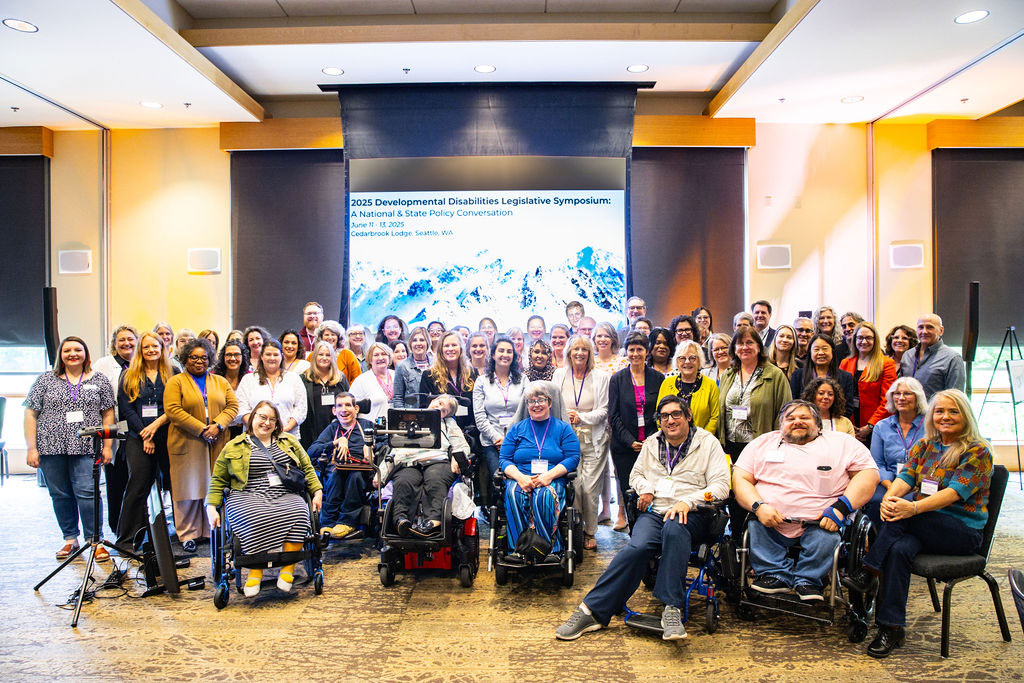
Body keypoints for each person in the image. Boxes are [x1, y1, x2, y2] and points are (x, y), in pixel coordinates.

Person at [555, 395, 730, 641]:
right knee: (637, 547)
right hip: (657, 510)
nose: (670, 420)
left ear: (688, 416)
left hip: (693, 513)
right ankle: (591, 611)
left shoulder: (707, 443)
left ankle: (672, 609)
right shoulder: (651, 442)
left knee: (675, 528)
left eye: (676, 414)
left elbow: (722, 486)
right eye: (664, 416)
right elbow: (635, 476)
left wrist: (688, 502)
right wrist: (645, 488)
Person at [844, 389, 992, 658]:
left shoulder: (977, 450)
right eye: (939, 411)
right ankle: (891, 628)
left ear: (966, 415)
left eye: (953, 411)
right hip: (921, 524)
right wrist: (890, 499)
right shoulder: (925, 445)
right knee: (898, 548)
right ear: (932, 415)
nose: (945, 417)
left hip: (962, 532)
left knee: (904, 517)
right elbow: (907, 478)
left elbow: (953, 493)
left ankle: (868, 569)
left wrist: (911, 507)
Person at [733, 400, 878, 601]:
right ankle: (773, 574)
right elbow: (740, 478)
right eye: (790, 418)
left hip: (821, 521)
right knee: (755, 525)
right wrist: (759, 506)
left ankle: (808, 580)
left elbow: (868, 475)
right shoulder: (762, 443)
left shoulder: (842, 443)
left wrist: (840, 508)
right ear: (780, 424)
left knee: (826, 536)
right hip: (770, 519)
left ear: (818, 424)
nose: (797, 422)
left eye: (804, 418)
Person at [205, 400, 321, 596]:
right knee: (254, 516)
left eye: (272, 419)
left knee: (300, 511)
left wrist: (317, 492)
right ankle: (255, 572)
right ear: (252, 419)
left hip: (284, 492)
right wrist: (211, 507)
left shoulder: (289, 442)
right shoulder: (234, 446)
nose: (267, 423)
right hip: (246, 494)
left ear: (277, 424)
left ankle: (287, 571)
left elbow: (307, 468)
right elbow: (218, 479)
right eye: (262, 417)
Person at [24, 336, 117, 561]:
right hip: (50, 448)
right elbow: (30, 414)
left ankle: (95, 540)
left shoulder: (100, 380)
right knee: (60, 495)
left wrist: (108, 446)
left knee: (88, 493)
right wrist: (31, 448)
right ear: (60, 355)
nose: (73, 354)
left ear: (85, 353)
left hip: (87, 447)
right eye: (67, 350)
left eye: (78, 350)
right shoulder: (45, 380)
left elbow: (108, 413)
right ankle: (70, 539)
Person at [164, 338, 238, 553]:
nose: (199, 361)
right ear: (185, 359)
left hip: (217, 441)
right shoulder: (176, 382)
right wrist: (201, 429)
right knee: (187, 488)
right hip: (188, 440)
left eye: (203, 358)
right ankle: (188, 534)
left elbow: (233, 406)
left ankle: (210, 529)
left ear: (210, 360)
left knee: (212, 486)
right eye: (193, 357)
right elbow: (173, 410)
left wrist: (218, 425)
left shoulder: (220, 382)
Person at [499, 383, 580, 555]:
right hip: (520, 477)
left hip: (552, 477)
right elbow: (504, 459)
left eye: (541, 400)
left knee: (543, 496)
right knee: (513, 494)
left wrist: (549, 476)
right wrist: (521, 478)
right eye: (531, 401)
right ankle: (518, 548)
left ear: (550, 403)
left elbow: (573, 458)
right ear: (526, 405)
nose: (536, 405)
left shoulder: (563, 428)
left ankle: (548, 548)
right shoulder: (517, 429)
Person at [115, 330, 176, 551]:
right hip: (137, 437)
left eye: (155, 346)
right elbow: (126, 410)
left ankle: (178, 538)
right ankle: (127, 540)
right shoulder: (128, 375)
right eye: (146, 347)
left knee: (173, 486)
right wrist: (145, 433)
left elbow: (176, 406)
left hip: (168, 434)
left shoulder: (173, 372)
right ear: (140, 350)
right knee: (137, 486)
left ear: (162, 349)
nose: (151, 350)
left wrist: (155, 426)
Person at [553, 334, 610, 550]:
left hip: (594, 439)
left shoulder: (601, 377)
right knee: (575, 486)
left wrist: (581, 417)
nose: (579, 353)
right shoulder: (559, 375)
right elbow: (553, 407)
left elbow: (604, 411)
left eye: (584, 349)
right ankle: (575, 529)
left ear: (590, 353)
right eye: (575, 349)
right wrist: (568, 418)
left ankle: (590, 531)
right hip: (567, 439)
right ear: (569, 352)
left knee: (589, 488)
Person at [387, 395, 469, 538]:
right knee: (404, 481)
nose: (439, 407)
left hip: (437, 460)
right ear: (433, 401)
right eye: (439, 403)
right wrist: (381, 473)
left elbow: (461, 445)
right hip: (410, 460)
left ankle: (434, 522)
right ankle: (401, 521)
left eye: (444, 410)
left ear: (447, 415)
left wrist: (457, 457)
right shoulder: (410, 417)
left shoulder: (448, 424)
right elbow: (394, 448)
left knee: (435, 479)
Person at [308, 392, 384, 539]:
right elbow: (311, 451)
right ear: (334, 411)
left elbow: (388, 443)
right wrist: (335, 442)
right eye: (339, 406)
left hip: (362, 469)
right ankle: (328, 523)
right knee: (335, 475)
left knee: (355, 475)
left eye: (348, 405)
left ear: (356, 409)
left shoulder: (367, 426)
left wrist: (371, 446)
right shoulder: (332, 429)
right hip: (337, 467)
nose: (344, 409)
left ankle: (347, 522)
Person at [607, 333, 663, 532]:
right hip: (624, 446)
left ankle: (650, 531)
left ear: (647, 352)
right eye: (631, 349)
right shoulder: (617, 380)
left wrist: (649, 441)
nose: (635, 353)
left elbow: (660, 413)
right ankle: (635, 532)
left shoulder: (658, 378)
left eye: (640, 349)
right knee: (629, 491)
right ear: (626, 352)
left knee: (650, 491)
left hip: (651, 445)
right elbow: (613, 416)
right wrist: (630, 441)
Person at [92, 324, 138, 535]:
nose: (126, 343)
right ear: (114, 343)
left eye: (130, 339)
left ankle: (138, 529)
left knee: (136, 482)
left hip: (137, 430)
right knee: (115, 481)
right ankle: (117, 528)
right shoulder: (104, 365)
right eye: (121, 340)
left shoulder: (140, 364)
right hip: (113, 429)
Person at [864, 377, 927, 527]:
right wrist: (890, 486)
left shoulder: (930, 426)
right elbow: (876, 463)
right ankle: (875, 541)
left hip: (920, 484)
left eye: (907, 394)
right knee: (876, 500)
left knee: (911, 502)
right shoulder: (881, 427)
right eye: (897, 393)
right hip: (888, 481)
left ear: (917, 397)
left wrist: (913, 484)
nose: (901, 398)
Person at [473, 336, 526, 493]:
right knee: (500, 479)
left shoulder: (523, 380)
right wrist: (497, 438)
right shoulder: (482, 381)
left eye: (509, 351)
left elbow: (526, 413)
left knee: (522, 478)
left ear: (514, 356)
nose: (505, 354)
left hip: (518, 440)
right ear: (493, 355)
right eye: (501, 350)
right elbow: (480, 417)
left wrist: (510, 439)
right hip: (492, 442)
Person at [236, 339, 307, 439]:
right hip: (255, 437)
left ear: (282, 356)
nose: (272, 358)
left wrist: (284, 429)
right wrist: (259, 428)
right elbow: (242, 409)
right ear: (261, 356)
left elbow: (301, 409)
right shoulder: (248, 380)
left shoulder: (293, 378)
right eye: (268, 354)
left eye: (276, 354)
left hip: (287, 437)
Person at [840, 321, 897, 441]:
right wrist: (849, 427)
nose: (864, 341)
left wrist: (870, 426)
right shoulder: (845, 363)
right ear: (855, 339)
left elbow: (888, 400)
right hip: (849, 425)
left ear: (875, 340)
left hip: (876, 425)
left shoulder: (886, 363)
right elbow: (840, 396)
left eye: (868, 338)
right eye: (860, 338)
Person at [420, 331, 478, 434]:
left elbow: (477, 406)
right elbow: (425, 408)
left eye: (454, 345)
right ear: (441, 350)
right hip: (442, 431)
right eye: (446, 346)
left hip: (470, 431)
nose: (450, 349)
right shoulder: (429, 375)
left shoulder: (472, 373)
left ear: (461, 348)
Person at [790, 334, 858, 419]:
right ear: (810, 352)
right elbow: (794, 403)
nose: (821, 353)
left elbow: (848, 407)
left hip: (835, 424)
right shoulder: (798, 375)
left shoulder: (845, 377)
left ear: (832, 352)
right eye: (816, 349)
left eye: (825, 349)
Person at [657, 340, 719, 434]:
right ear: (677, 362)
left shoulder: (710, 385)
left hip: (702, 442)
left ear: (699, 361)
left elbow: (715, 417)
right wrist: (669, 436)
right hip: (671, 440)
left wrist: (701, 440)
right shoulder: (667, 383)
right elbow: (659, 415)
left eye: (692, 358)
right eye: (682, 358)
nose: (687, 362)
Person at [298, 340, 350, 450]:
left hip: (336, 428)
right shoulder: (304, 378)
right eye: (321, 354)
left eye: (328, 355)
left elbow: (348, 401)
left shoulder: (340, 378)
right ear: (315, 357)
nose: (324, 358)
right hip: (311, 429)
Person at [900, 314, 966, 398]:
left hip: (933, 410)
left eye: (930, 327)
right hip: (908, 410)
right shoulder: (907, 355)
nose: (924, 331)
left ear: (941, 330)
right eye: (920, 327)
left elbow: (955, 398)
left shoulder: (952, 358)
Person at [349, 341, 395, 422]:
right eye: (376, 355)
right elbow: (351, 408)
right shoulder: (361, 381)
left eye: (384, 354)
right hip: (371, 429)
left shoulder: (396, 376)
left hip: (396, 429)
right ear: (370, 359)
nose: (380, 358)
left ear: (389, 357)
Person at [212, 340, 249, 439]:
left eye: (236, 355)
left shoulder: (249, 379)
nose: (232, 358)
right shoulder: (214, 378)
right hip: (220, 430)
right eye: (228, 355)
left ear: (243, 357)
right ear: (223, 357)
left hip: (244, 431)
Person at [393, 326, 432, 409]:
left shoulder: (436, 364)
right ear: (410, 343)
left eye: (422, 340)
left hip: (434, 413)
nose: (418, 343)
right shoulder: (402, 366)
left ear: (427, 343)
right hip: (411, 415)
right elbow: (398, 398)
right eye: (414, 340)